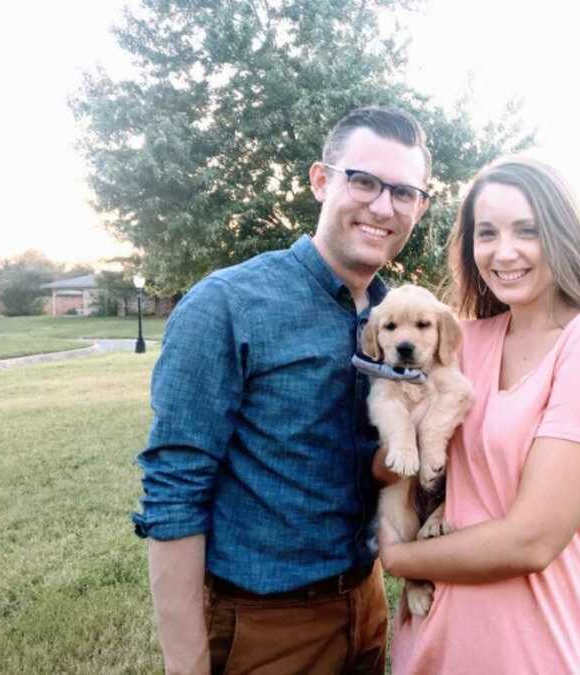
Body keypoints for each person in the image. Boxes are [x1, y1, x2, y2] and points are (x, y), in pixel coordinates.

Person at [132, 106, 431, 675]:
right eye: (363, 181)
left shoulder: (399, 319)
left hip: (367, 607)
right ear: (321, 180)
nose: (382, 207)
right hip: (264, 623)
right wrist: (187, 665)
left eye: (404, 191)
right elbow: (174, 490)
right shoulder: (228, 305)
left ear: (420, 205)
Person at [381, 157, 580, 674]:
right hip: (434, 642)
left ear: (564, 234)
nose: (504, 252)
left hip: (544, 647)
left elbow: (532, 539)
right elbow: (392, 444)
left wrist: (398, 559)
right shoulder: (459, 343)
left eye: (527, 230)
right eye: (487, 233)